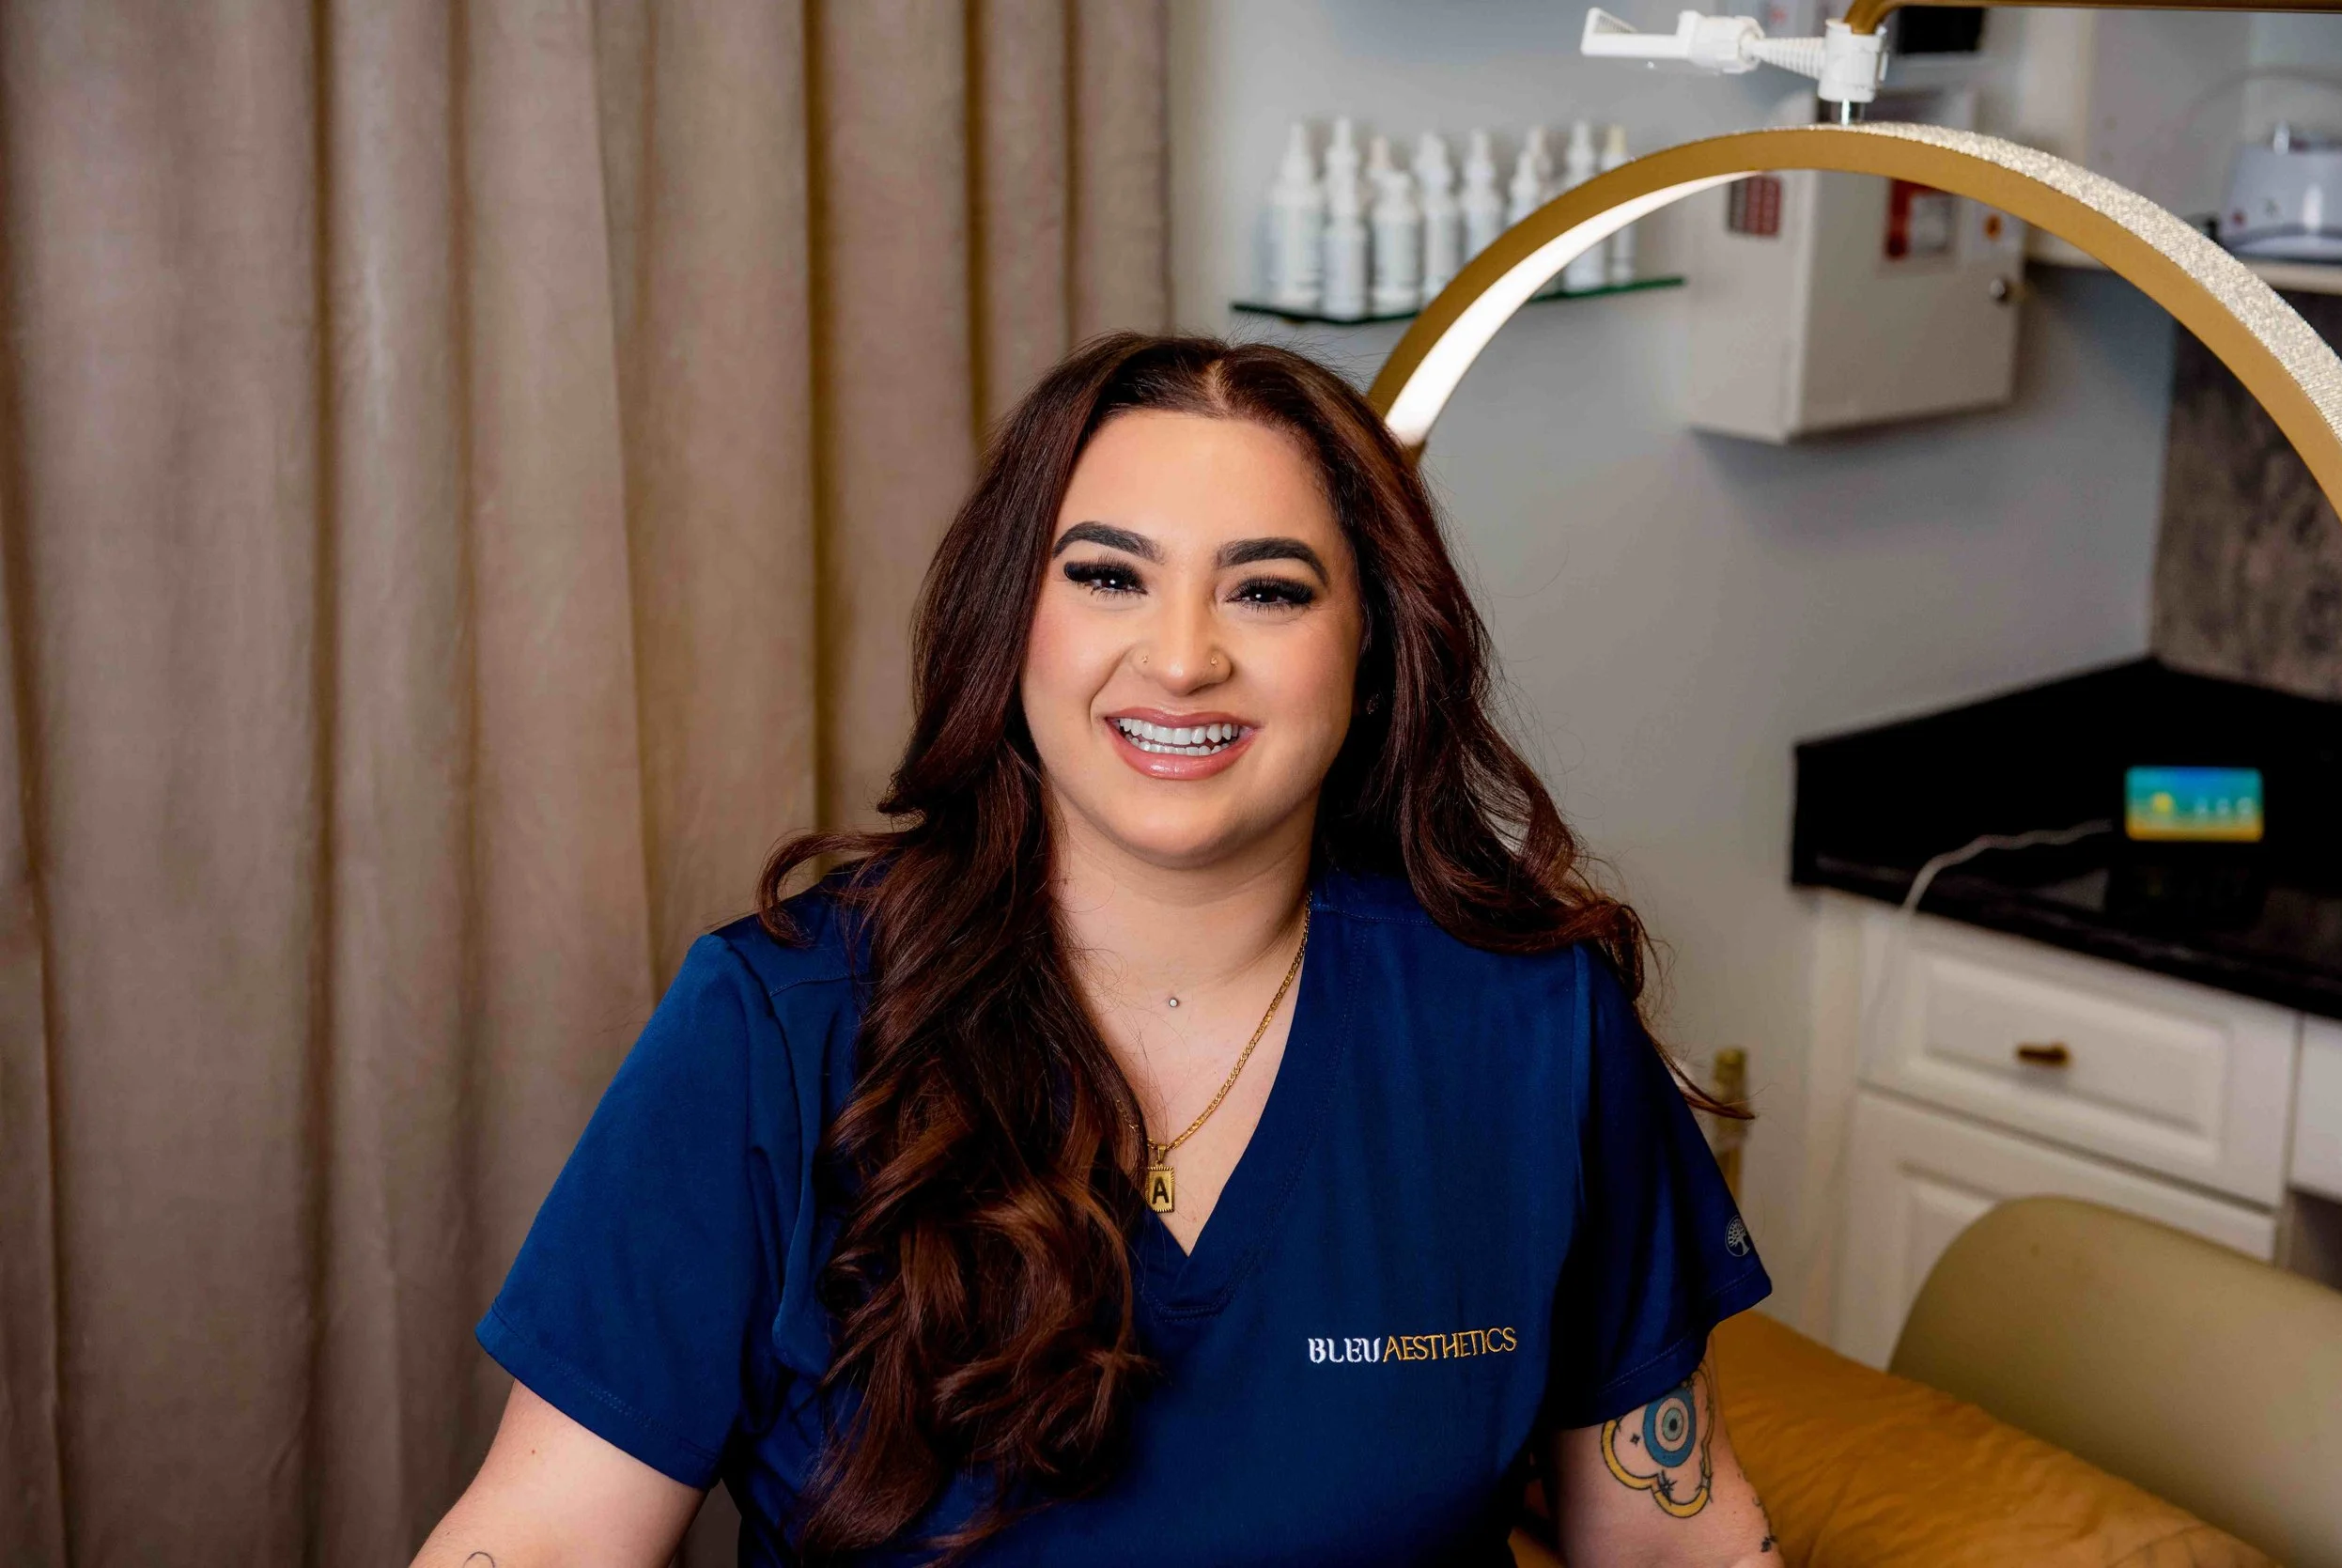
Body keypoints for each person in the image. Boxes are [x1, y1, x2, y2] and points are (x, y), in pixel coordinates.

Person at [413, 334, 1776, 1566]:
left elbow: (1673, 1542)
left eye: (1270, 592)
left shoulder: (1529, 1029)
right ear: (1016, 624)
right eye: (1111, 576)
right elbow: (544, 1535)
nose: (1180, 660)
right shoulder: (778, 1028)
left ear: (1370, 655)